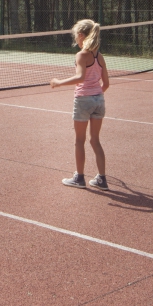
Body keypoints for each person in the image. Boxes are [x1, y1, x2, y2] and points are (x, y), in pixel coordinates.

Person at [49, 19, 111, 189]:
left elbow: (80, 77)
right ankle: (102, 179)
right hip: (99, 100)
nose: (75, 38)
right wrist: (95, 96)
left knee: (79, 140)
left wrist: (59, 82)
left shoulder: (81, 55)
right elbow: (105, 84)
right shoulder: (100, 56)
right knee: (95, 140)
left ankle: (80, 178)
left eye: (76, 35)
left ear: (82, 36)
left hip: (83, 100)